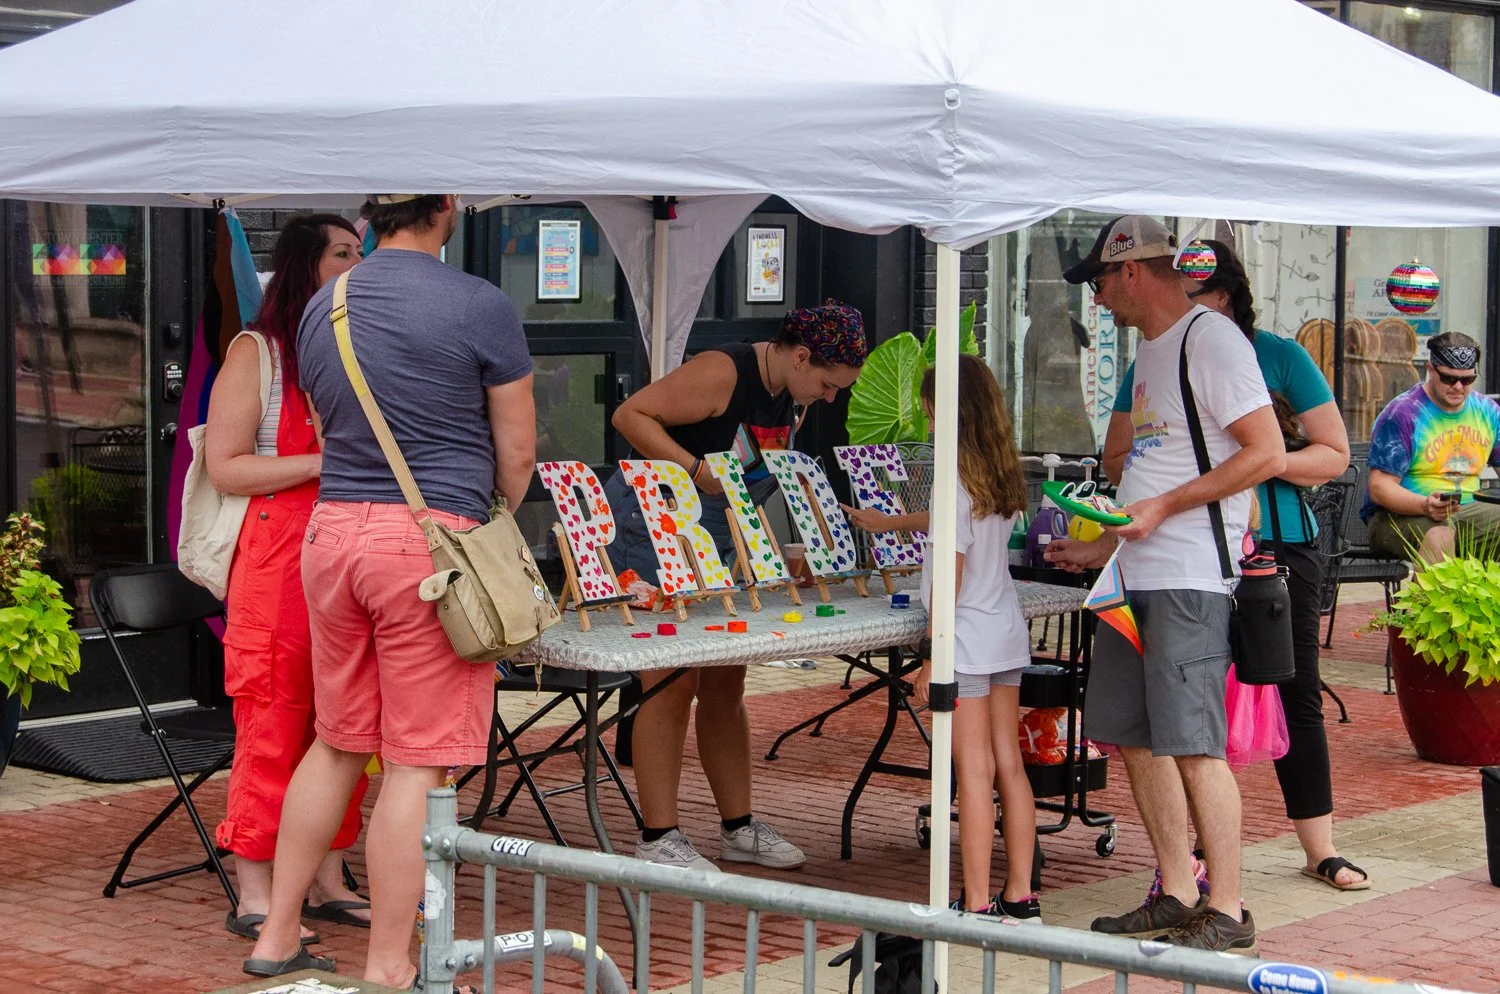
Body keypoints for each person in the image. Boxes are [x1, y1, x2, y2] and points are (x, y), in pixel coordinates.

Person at [245, 194, 535, 988]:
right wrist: (490, 523)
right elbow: (517, 448)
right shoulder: (480, 303)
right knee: (415, 764)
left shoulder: (322, 305)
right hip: (431, 544)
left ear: (377, 211)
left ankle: (276, 933)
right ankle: (389, 965)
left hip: (332, 532)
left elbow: (325, 415)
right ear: (446, 207)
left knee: (336, 742)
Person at [1045, 216, 1284, 954]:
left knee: (1192, 742)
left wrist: (1163, 509)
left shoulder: (1211, 341)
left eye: (1101, 283)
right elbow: (1152, 467)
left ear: (1134, 272)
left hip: (1187, 575)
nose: (1098, 301)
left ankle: (1229, 907)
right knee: (1138, 741)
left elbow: (1267, 453)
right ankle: (1177, 889)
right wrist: (1102, 543)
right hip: (1133, 573)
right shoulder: (1151, 351)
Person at [1103, 241, 1365, 892]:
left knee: (1290, 691)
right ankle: (1185, 868)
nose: (1189, 303)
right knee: (1184, 717)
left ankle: (1318, 844)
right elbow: (1122, 452)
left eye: (1202, 292)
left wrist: (1253, 467)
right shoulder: (1160, 352)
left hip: (1274, 548)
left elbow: (1333, 453)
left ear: (1225, 297)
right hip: (1186, 550)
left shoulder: (1273, 354)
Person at [606, 300, 867, 871]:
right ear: (801, 357)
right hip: (652, 525)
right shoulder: (725, 371)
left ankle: (737, 825)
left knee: (727, 677)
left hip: (709, 533)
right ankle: (658, 836)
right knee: (671, 681)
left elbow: (748, 480)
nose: (830, 398)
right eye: (827, 384)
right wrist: (692, 470)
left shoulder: (789, 394)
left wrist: (768, 548)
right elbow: (630, 416)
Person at [204, 214, 371, 943]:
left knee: (342, 725)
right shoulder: (257, 351)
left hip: (344, 556)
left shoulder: (356, 348)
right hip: (274, 563)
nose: (357, 265)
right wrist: (321, 464)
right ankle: (256, 891)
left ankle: (329, 876)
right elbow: (226, 466)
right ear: (306, 264)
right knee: (271, 721)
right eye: (343, 253)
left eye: (361, 252)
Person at [905, 356, 1040, 921]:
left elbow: (949, 578)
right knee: (1009, 764)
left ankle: (978, 898)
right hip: (1004, 630)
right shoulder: (998, 473)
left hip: (964, 641)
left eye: (929, 404)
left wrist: (930, 657)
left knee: (973, 771)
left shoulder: (951, 482)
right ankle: (1020, 893)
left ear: (943, 409)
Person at [1363, 331, 1500, 564]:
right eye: (1448, 378)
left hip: (1467, 510)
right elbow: (1380, 487)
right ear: (1431, 369)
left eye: (1467, 380)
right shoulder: (1403, 413)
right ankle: (1424, 602)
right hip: (1397, 516)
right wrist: (1424, 506)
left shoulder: (1488, 412)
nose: (1458, 387)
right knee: (1440, 534)